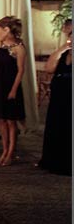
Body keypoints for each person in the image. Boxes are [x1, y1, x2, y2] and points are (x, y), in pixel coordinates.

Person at [36, 28, 72, 175]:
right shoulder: (63, 54)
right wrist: (61, 49)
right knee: (56, 124)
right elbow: (49, 68)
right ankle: (53, 159)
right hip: (59, 92)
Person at [0, 16, 26, 166]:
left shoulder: (19, 47)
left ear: (7, 30)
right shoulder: (0, 44)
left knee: (11, 121)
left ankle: (11, 152)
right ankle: (4, 149)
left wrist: (13, 90)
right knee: (2, 121)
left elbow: (20, 71)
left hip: (11, 86)